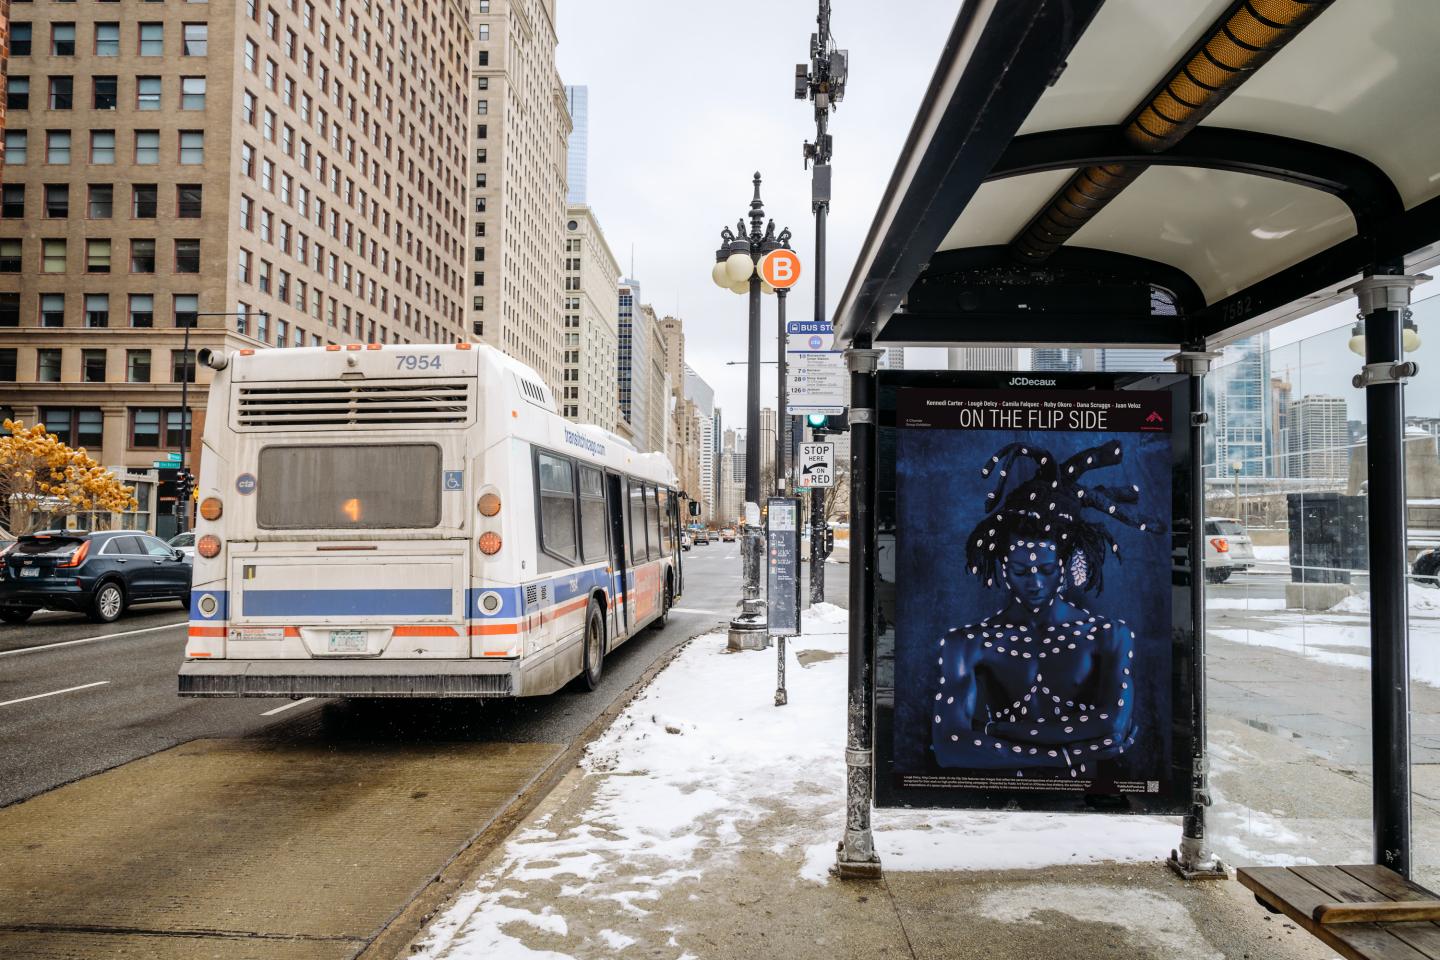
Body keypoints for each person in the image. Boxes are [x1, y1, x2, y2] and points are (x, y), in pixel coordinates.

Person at [930, 439, 1163, 779]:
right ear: (1003, 567)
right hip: (1003, 800)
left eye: (1048, 569)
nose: (1036, 583)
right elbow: (950, 747)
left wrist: (998, 731)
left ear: (1067, 566)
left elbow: (1114, 724)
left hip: (1086, 805)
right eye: (1022, 571)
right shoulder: (966, 642)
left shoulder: (1108, 634)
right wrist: (1069, 754)